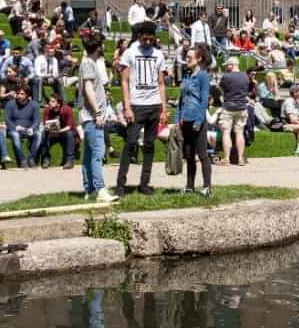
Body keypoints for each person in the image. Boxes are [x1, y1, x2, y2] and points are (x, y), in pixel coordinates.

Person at [115, 22, 167, 198]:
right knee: (130, 143)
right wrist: (127, 106)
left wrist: (164, 109)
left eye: (150, 38)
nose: (147, 41)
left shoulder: (159, 54)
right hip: (136, 106)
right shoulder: (130, 53)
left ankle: (144, 184)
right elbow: (124, 81)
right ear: (139, 36)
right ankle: (120, 185)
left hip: (154, 105)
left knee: (150, 145)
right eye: (144, 38)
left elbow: (161, 83)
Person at [78, 32, 116, 202]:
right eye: (102, 44)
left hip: (90, 116)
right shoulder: (88, 63)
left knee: (88, 155)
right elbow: (88, 88)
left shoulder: (89, 62)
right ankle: (100, 189)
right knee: (97, 154)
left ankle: (90, 189)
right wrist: (98, 112)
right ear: (98, 46)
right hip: (93, 117)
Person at [178, 44, 213, 196]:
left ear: (199, 59)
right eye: (186, 57)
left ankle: (206, 186)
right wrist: (178, 118)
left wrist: (199, 121)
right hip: (185, 120)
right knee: (188, 154)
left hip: (197, 120)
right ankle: (190, 185)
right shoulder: (187, 76)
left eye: (189, 58)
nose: (187, 60)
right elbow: (182, 99)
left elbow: (204, 100)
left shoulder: (203, 76)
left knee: (202, 154)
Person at [218, 57, 249, 166]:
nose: (227, 67)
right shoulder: (245, 76)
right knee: (240, 133)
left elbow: (221, 89)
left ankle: (227, 158)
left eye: (227, 65)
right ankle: (240, 158)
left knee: (226, 133)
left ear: (231, 65)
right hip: (242, 107)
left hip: (228, 107)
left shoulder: (226, 76)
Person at [5, 87, 43, 168]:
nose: (19, 96)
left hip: (28, 129)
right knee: (15, 135)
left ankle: (31, 158)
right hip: (15, 129)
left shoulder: (34, 104)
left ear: (27, 95)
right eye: (18, 94)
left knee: (39, 134)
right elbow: (7, 120)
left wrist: (32, 128)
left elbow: (37, 119)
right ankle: (22, 160)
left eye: (21, 94)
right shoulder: (10, 104)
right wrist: (15, 127)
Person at [40, 94, 77, 169]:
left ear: (58, 104)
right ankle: (46, 159)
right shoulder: (47, 110)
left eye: (53, 101)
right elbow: (45, 124)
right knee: (43, 134)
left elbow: (69, 127)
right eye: (50, 101)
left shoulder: (67, 109)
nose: (50, 102)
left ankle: (69, 160)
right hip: (53, 132)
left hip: (65, 131)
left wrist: (59, 131)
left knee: (70, 134)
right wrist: (48, 129)